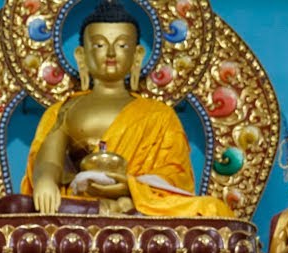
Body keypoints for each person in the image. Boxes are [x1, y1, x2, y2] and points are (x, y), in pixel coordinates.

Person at [20, 0, 232, 217]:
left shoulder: (159, 114)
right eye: (100, 45)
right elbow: (48, 158)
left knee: (215, 210)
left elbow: (175, 176)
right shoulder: (65, 109)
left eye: (122, 45)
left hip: (140, 204)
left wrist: (131, 188)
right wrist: (45, 180)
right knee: (15, 206)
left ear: (137, 55)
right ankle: (100, 210)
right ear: (81, 56)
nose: (111, 53)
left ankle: (112, 210)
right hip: (79, 200)